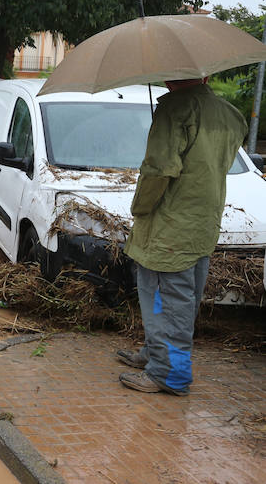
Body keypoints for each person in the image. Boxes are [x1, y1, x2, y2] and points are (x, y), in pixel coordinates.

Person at [118, 77, 247, 396]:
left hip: (168, 229)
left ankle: (168, 374)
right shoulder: (231, 115)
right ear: (205, 74)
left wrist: (139, 207)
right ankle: (154, 353)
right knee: (178, 300)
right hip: (203, 225)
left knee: (166, 300)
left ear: (170, 75)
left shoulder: (176, 110)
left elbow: (159, 170)